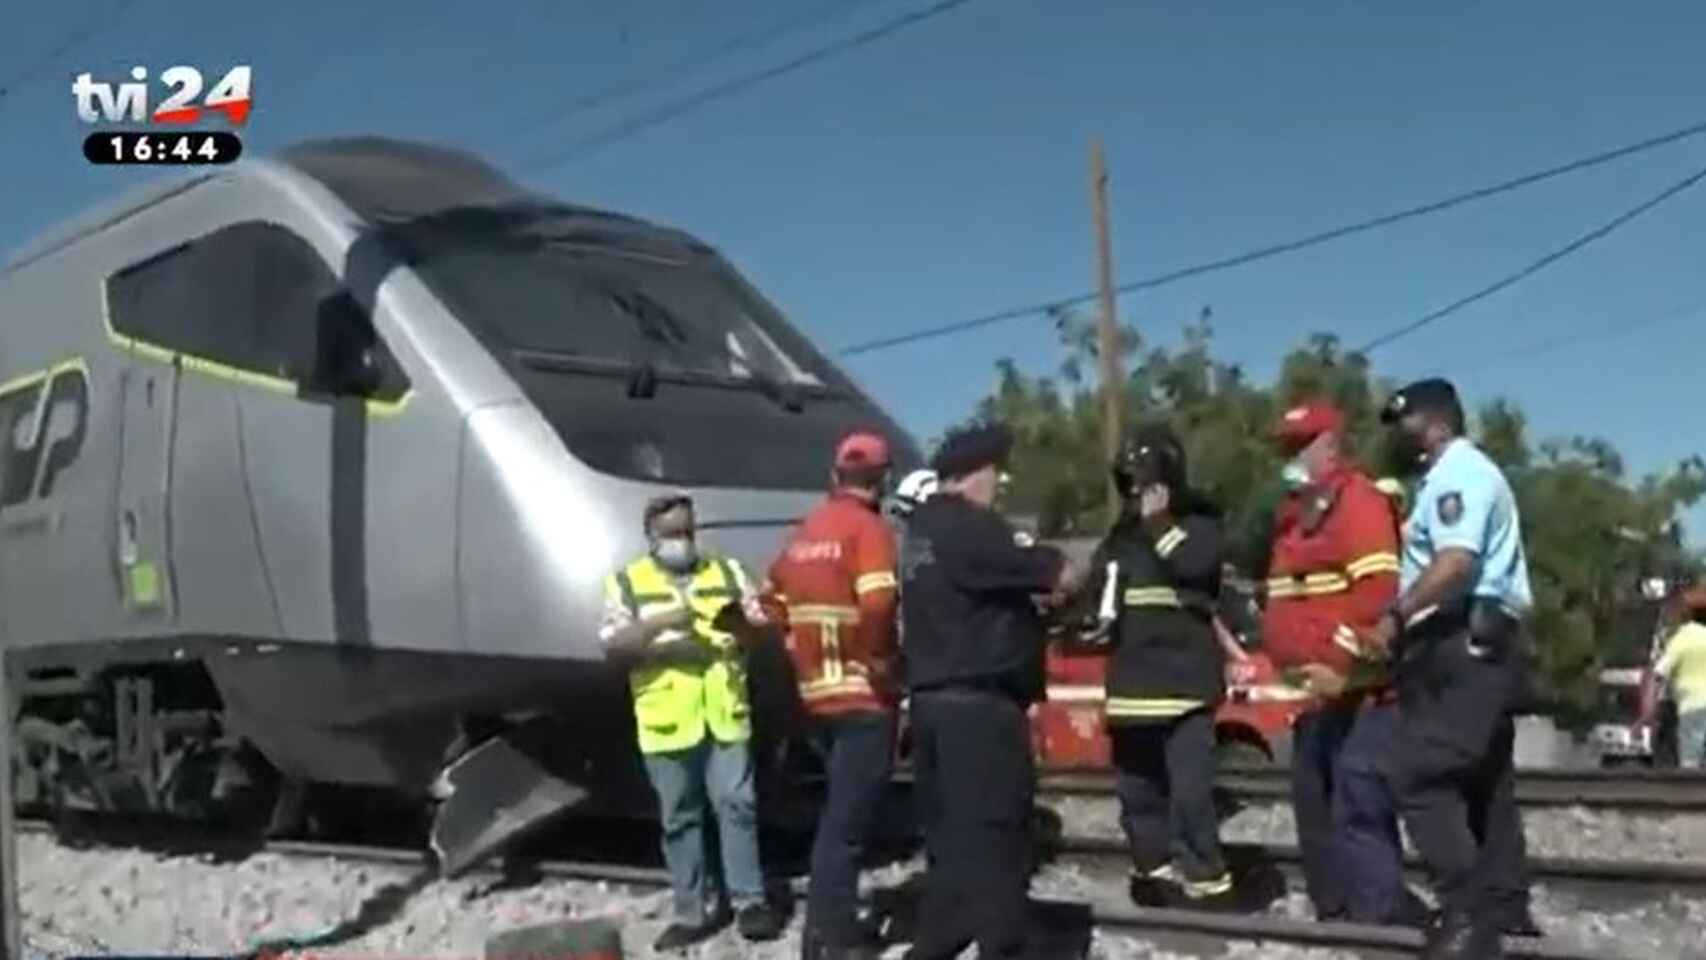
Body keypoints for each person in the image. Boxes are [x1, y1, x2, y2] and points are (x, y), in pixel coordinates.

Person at [1364, 378, 1538, 958]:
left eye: (1405, 425)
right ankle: (1507, 906)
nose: (1399, 438)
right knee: (1486, 781)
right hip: (1474, 640)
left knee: (1419, 774)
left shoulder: (1459, 473)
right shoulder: (1450, 476)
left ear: (1436, 423)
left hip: (1464, 637)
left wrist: (1396, 615)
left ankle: (1468, 916)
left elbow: (1456, 563)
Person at [899, 423, 1085, 960]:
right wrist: (1061, 570)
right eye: (997, 473)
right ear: (976, 473)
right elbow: (1043, 572)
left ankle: (940, 936)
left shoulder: (922, 530)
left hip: (934, 703)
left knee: (949, 834)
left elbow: (980, 593)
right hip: (979, 708)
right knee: (998, 830)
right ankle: (1004, 944)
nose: (1000, 485)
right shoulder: (970, 527)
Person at [1259, 400, 1425, 926]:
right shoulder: (1295, 519)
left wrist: (1340, 666)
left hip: (1358, 688)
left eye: (1299, 447)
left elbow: (1377, 594)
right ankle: (1334, 912)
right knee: (1313, 798)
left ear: (1329, 445)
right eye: (1285, 448)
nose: (1290, 459)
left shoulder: (1358, 502)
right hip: (1314, 691)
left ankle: (1379, 920)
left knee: (1358, 802)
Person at [597, 494, 786, 950]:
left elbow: (764, 624)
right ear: (651, 537)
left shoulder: (726, 572)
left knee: (738, 806)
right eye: (671, 534)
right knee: (680, 819)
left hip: (724, 712)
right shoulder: (626, 582)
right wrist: (662, 628)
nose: (681, 541)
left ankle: (748, 903)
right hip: (667, 720)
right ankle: (692, 909)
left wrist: (749, 628)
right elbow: (613, 645)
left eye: (687, 531)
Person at [1084, 423, 1235, 909]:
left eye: (1143, 483)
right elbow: (1098, 596)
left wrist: (1158, 522)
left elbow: (1194, 566)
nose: (1135, 494)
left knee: (1191, 795)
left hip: (1185, 687)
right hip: (1132, 686)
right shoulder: (1119, 539)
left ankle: (1208, 886)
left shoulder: (1200, 524)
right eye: (1129, 485)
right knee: (1138, 794)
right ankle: (1154, 876)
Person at [765, 430, 903, 960]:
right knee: (848, 823)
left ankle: (821, 930)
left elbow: (770, 604)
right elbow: (877, 606)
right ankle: (833, 936)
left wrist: (796, 647)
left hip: (814, 697)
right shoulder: (869, 531)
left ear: (834, 476)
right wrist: (880, 662)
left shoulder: (805, 533)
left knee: (836, 816)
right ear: (883, 480)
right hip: (863, 699)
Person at [1655, 585, 1706, 768]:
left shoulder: (1684, 637)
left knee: (1690, 765)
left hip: (1692, 707)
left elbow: (1660, 672)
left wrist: (1650, 708)